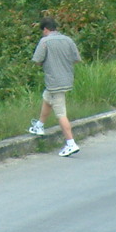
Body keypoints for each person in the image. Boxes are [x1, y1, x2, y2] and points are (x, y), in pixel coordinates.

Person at [28, 17, 82, 156]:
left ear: (45, 29)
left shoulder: (44, 41)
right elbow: (76, 59)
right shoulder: (68, 40)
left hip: (54, 82)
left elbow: (38, 61)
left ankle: (71, 143)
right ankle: (39, 126)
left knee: (60, 113)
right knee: (47, 98)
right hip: (67, 80)